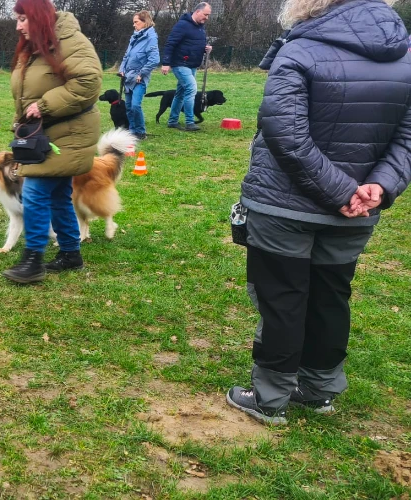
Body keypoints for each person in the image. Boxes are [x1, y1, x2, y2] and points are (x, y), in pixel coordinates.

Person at [226, 0, 411, 425]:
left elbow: (283, 132)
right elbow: (407, 136)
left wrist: (347, 192)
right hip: (356, 207)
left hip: (286, 203)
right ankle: (319, 386)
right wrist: (375, 188)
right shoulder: (404, 55)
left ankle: (270, 397)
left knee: (283, 297)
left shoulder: (300, 47)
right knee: (331, 296)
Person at [2, 0, 102, 284]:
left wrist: (44, 106)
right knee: (59, 195)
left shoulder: (71, 42)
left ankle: (32, 260)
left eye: (23, 19)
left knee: (34, 191)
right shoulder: (34, 47)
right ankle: (71, 254)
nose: (18, 25)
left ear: (38, 18)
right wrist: (22, 121)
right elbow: (29, 90)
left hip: (69, 132)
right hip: (47, 134)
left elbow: (89, 82)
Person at [160, 2, 212, 132]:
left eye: (208, 15)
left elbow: (195, 43)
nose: (207, 18)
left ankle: (172, 121)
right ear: (197, 12)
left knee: (181, 93)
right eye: (205, 14)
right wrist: (166, 63)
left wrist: (206, 48)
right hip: (180, 64)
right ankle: (190, 122)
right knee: (191, 89)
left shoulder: (201, 27)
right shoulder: (182, 25)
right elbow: (170, 44)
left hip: (192, 64)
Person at [117, 11, 159, 140]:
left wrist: (142, 73)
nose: (134, 25)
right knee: (129, 106)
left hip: (140, 78)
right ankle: (132, 131)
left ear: (145, 22)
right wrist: (121, 69)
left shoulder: (151, 38)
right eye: (133, 22)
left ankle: (140, 132)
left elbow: (154, 60)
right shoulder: (134, 37)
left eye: (136, 22)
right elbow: (126, 56)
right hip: (128, 77)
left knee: (135, 105)